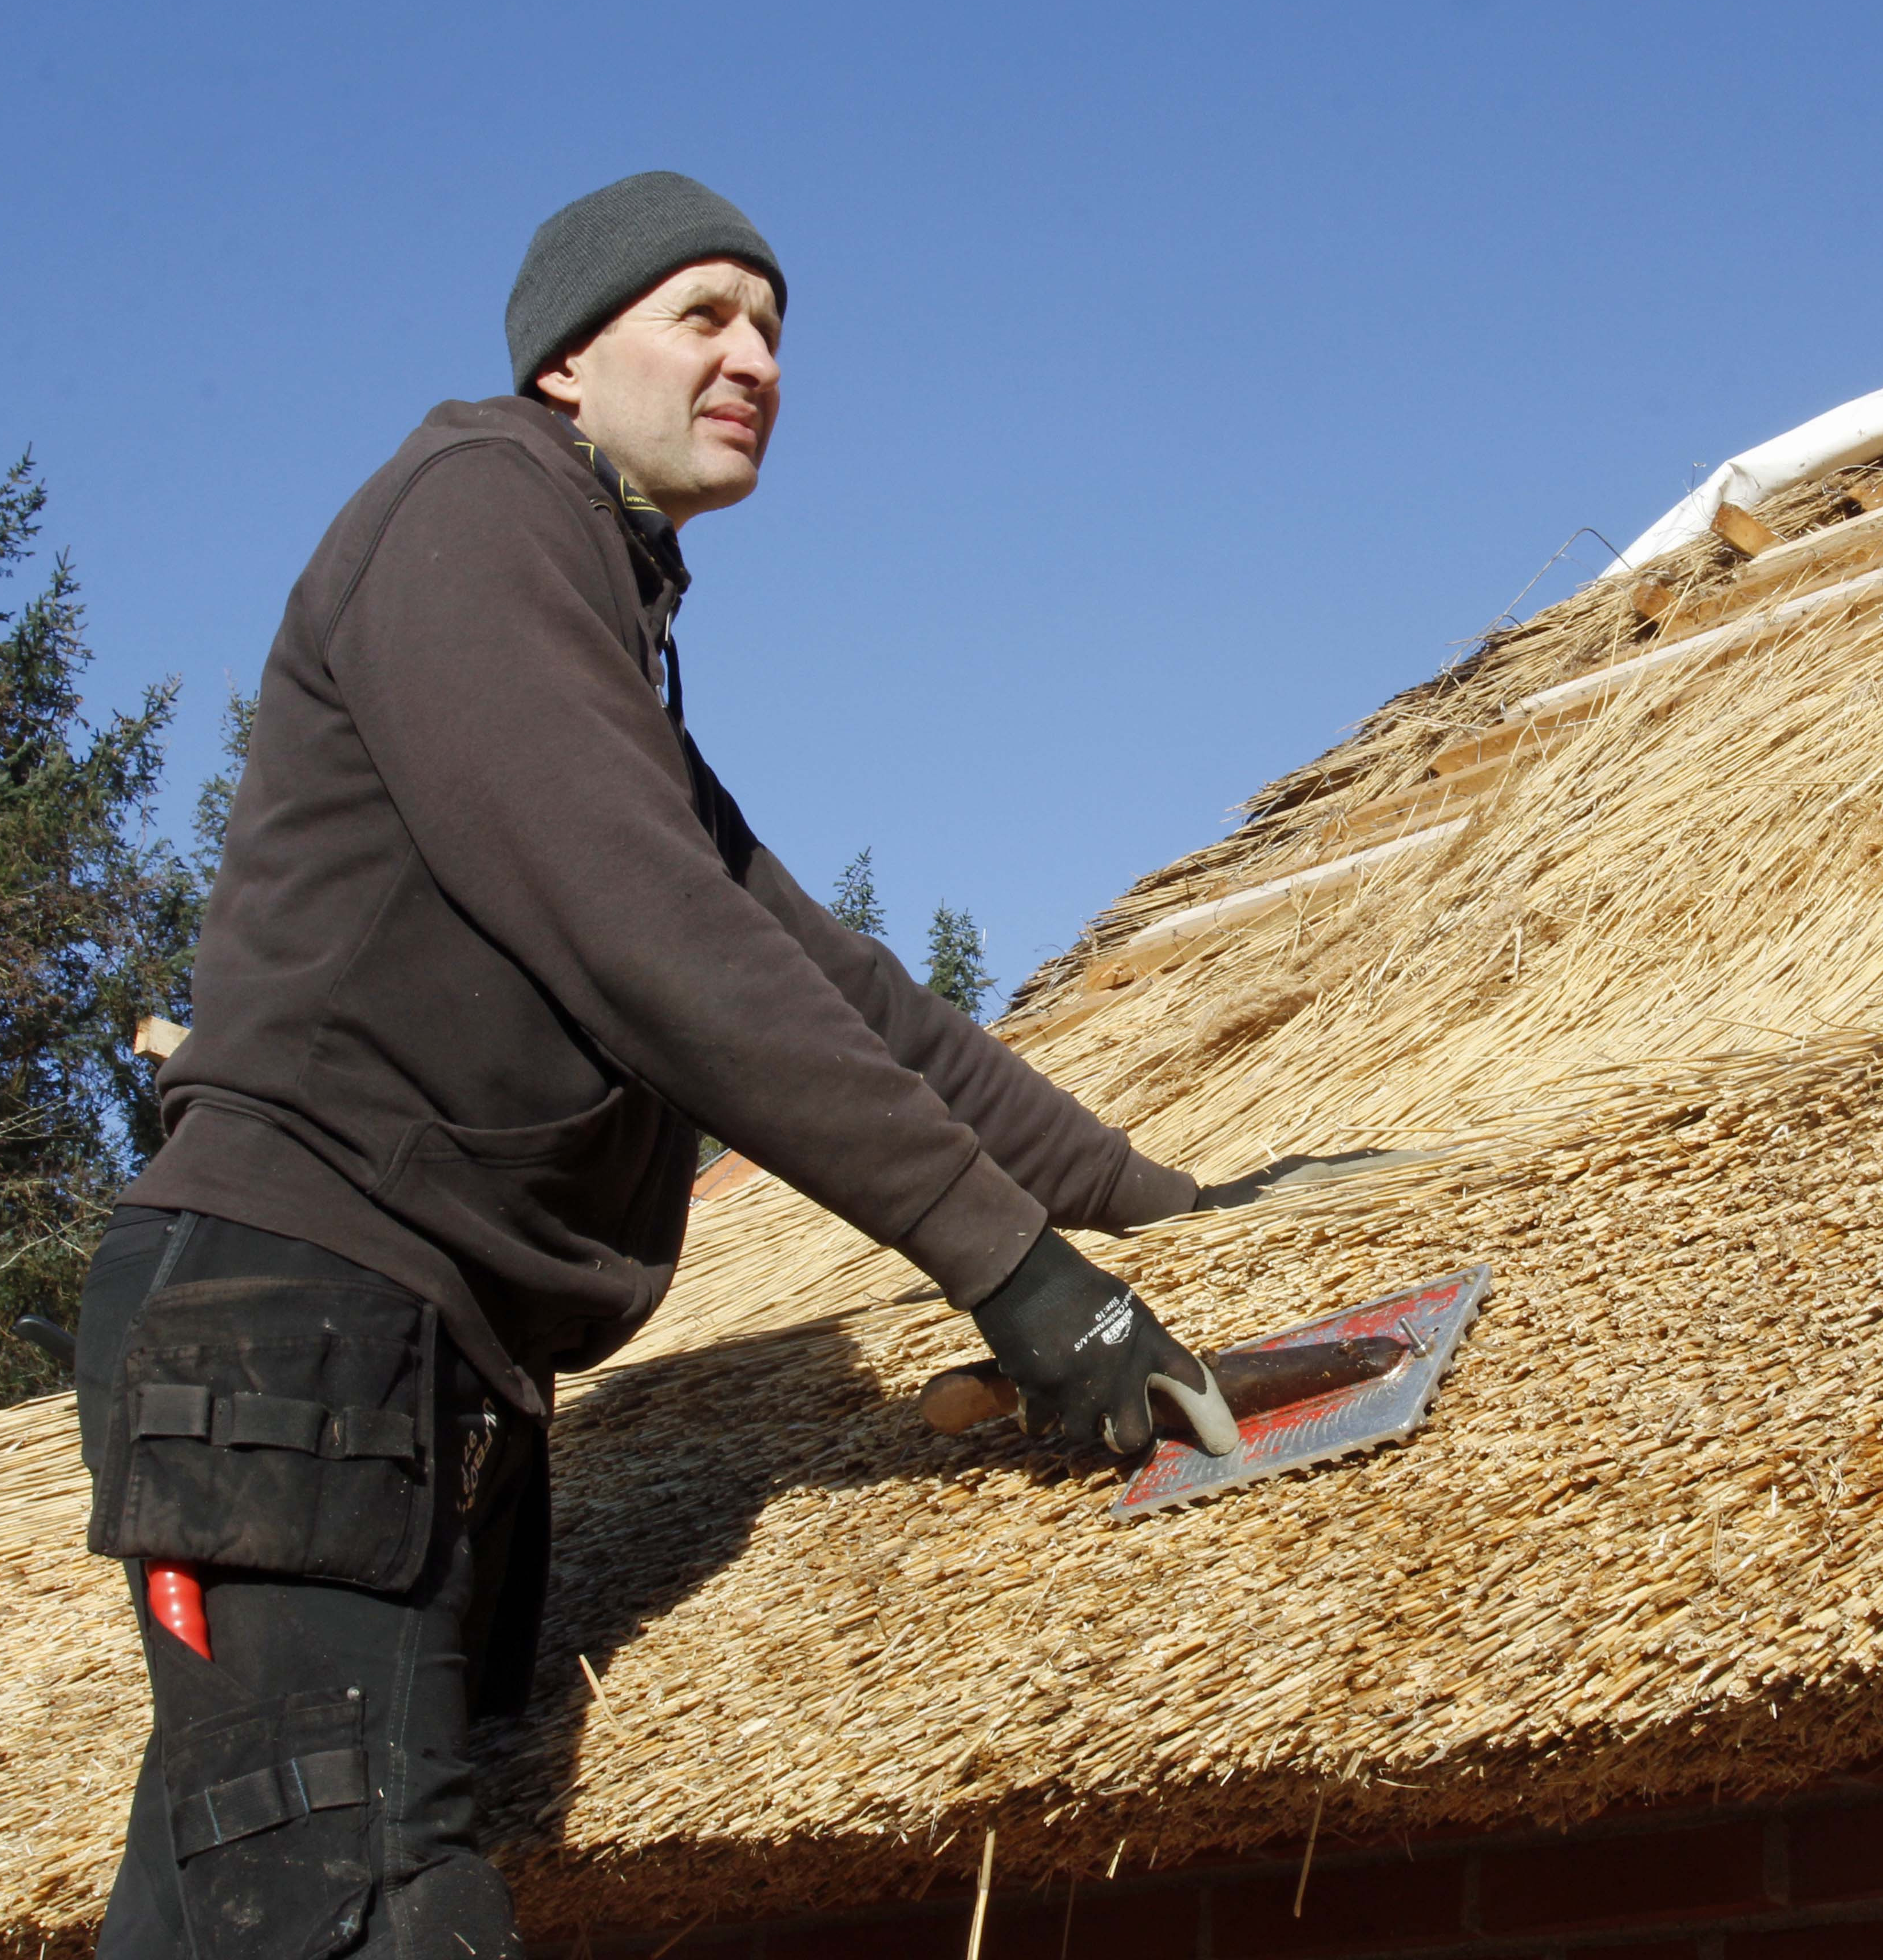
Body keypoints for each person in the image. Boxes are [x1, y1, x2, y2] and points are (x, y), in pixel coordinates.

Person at [72, 171, 1239, 1960]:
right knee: (358, 1904)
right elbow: (656, 943)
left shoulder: (595, 625)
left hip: (428, 1353)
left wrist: (1150, 1203)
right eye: (703, 315)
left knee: (237, 1908)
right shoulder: (471, 519)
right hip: (302, 1300)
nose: (754, 357)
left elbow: (838, 989)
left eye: (773, 328)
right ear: (565, 359)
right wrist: (1013, 1277)